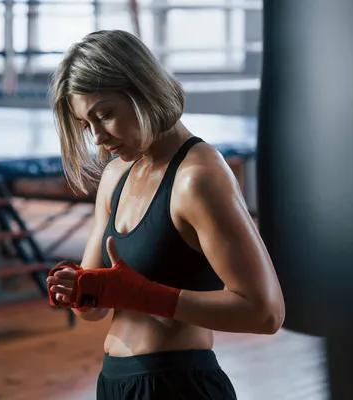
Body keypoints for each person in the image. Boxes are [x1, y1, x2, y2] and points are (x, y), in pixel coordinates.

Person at [46, 29, 285, 399]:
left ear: (143, 90)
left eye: (105, 115)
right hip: (114, 383)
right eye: (85, 124)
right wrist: (79, 290)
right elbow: (93, 311)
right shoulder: (116, 175)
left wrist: (146, 296)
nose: (97, 138)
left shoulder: (198, 177)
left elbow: (265, 312)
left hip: (177, 385)